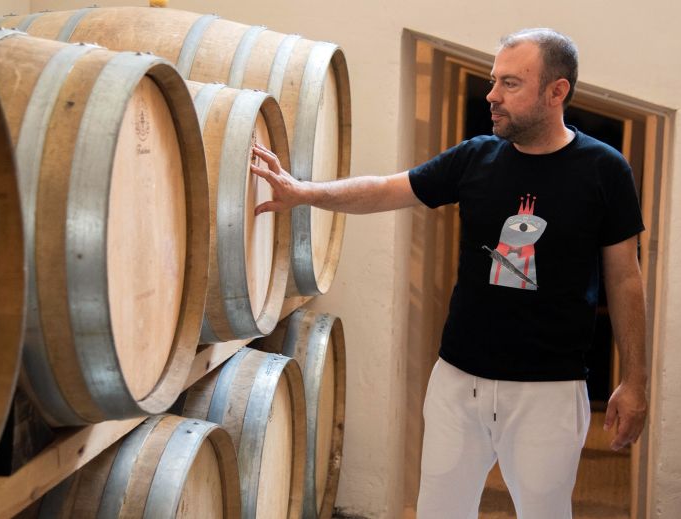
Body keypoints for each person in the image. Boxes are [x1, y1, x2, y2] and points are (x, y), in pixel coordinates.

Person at [250, 27, 647, 519]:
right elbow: (385, 190)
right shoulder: (476, 156)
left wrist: (635, 380)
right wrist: (305, 192)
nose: (492, 95)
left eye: (510, 84)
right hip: (458, 384)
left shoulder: (604, 170)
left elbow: (625, 278)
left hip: (549, 392)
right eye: (493, 80)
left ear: (556, 91)